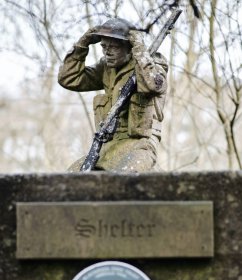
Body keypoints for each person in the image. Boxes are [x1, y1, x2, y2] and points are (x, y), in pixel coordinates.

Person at [58, 18, 168, 172]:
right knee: (72, 177)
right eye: (104, 46)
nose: (107, 52)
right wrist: (82, 44)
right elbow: (69, 78)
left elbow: (152, 85)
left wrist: (139, 49)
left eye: (114, 47)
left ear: (129, 48)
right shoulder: (107, 68)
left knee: (124, 178)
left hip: (140, 144)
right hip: (108, 147)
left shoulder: (152, 67)